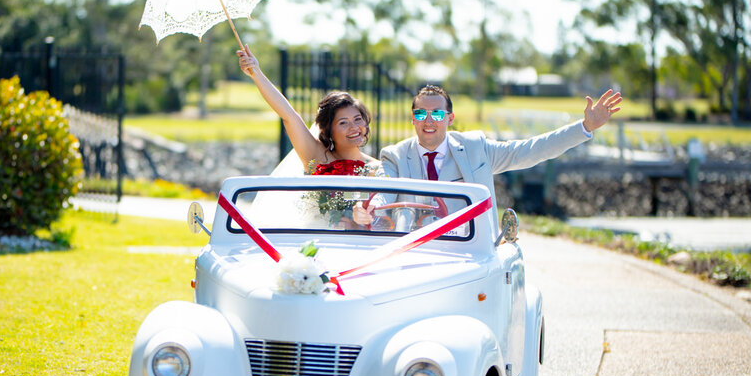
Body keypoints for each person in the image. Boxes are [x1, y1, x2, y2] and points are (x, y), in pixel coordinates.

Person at [354, 84, 623, 223]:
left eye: (437, 113)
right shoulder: (395, 155)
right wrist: (371, 208)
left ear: (450, 118)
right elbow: (384, 190)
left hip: (471, 252)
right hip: (415, 254)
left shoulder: (476, 148)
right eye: (420, 113)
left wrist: (585, 127)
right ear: (412, 119)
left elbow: (529, 151)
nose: (429, 120)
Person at [237, 45, 382, 176]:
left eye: (358, 119)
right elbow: (289, 116)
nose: (354, 127)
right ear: (328, 130)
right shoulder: (316, 156)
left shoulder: (380, 169)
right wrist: (256, 73)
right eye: (343, 123)